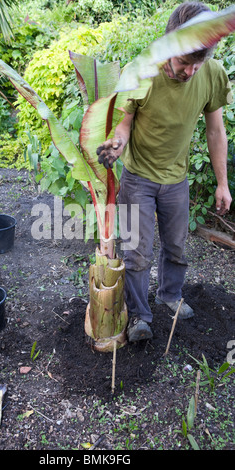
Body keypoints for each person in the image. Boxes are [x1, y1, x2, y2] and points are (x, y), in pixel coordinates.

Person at [96, 2, 233, 342]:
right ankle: (140, 316)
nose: (189, 72)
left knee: (177, 246)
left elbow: (215, 131)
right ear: (169, 44)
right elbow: (124, 125)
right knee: (137, 251)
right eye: (184, 62)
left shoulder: (212, 74)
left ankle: (170, 296)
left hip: (177, 180)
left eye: (197, 64)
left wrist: (222, 183)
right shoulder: (143, 72)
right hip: (138, 178)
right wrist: (117, 143)